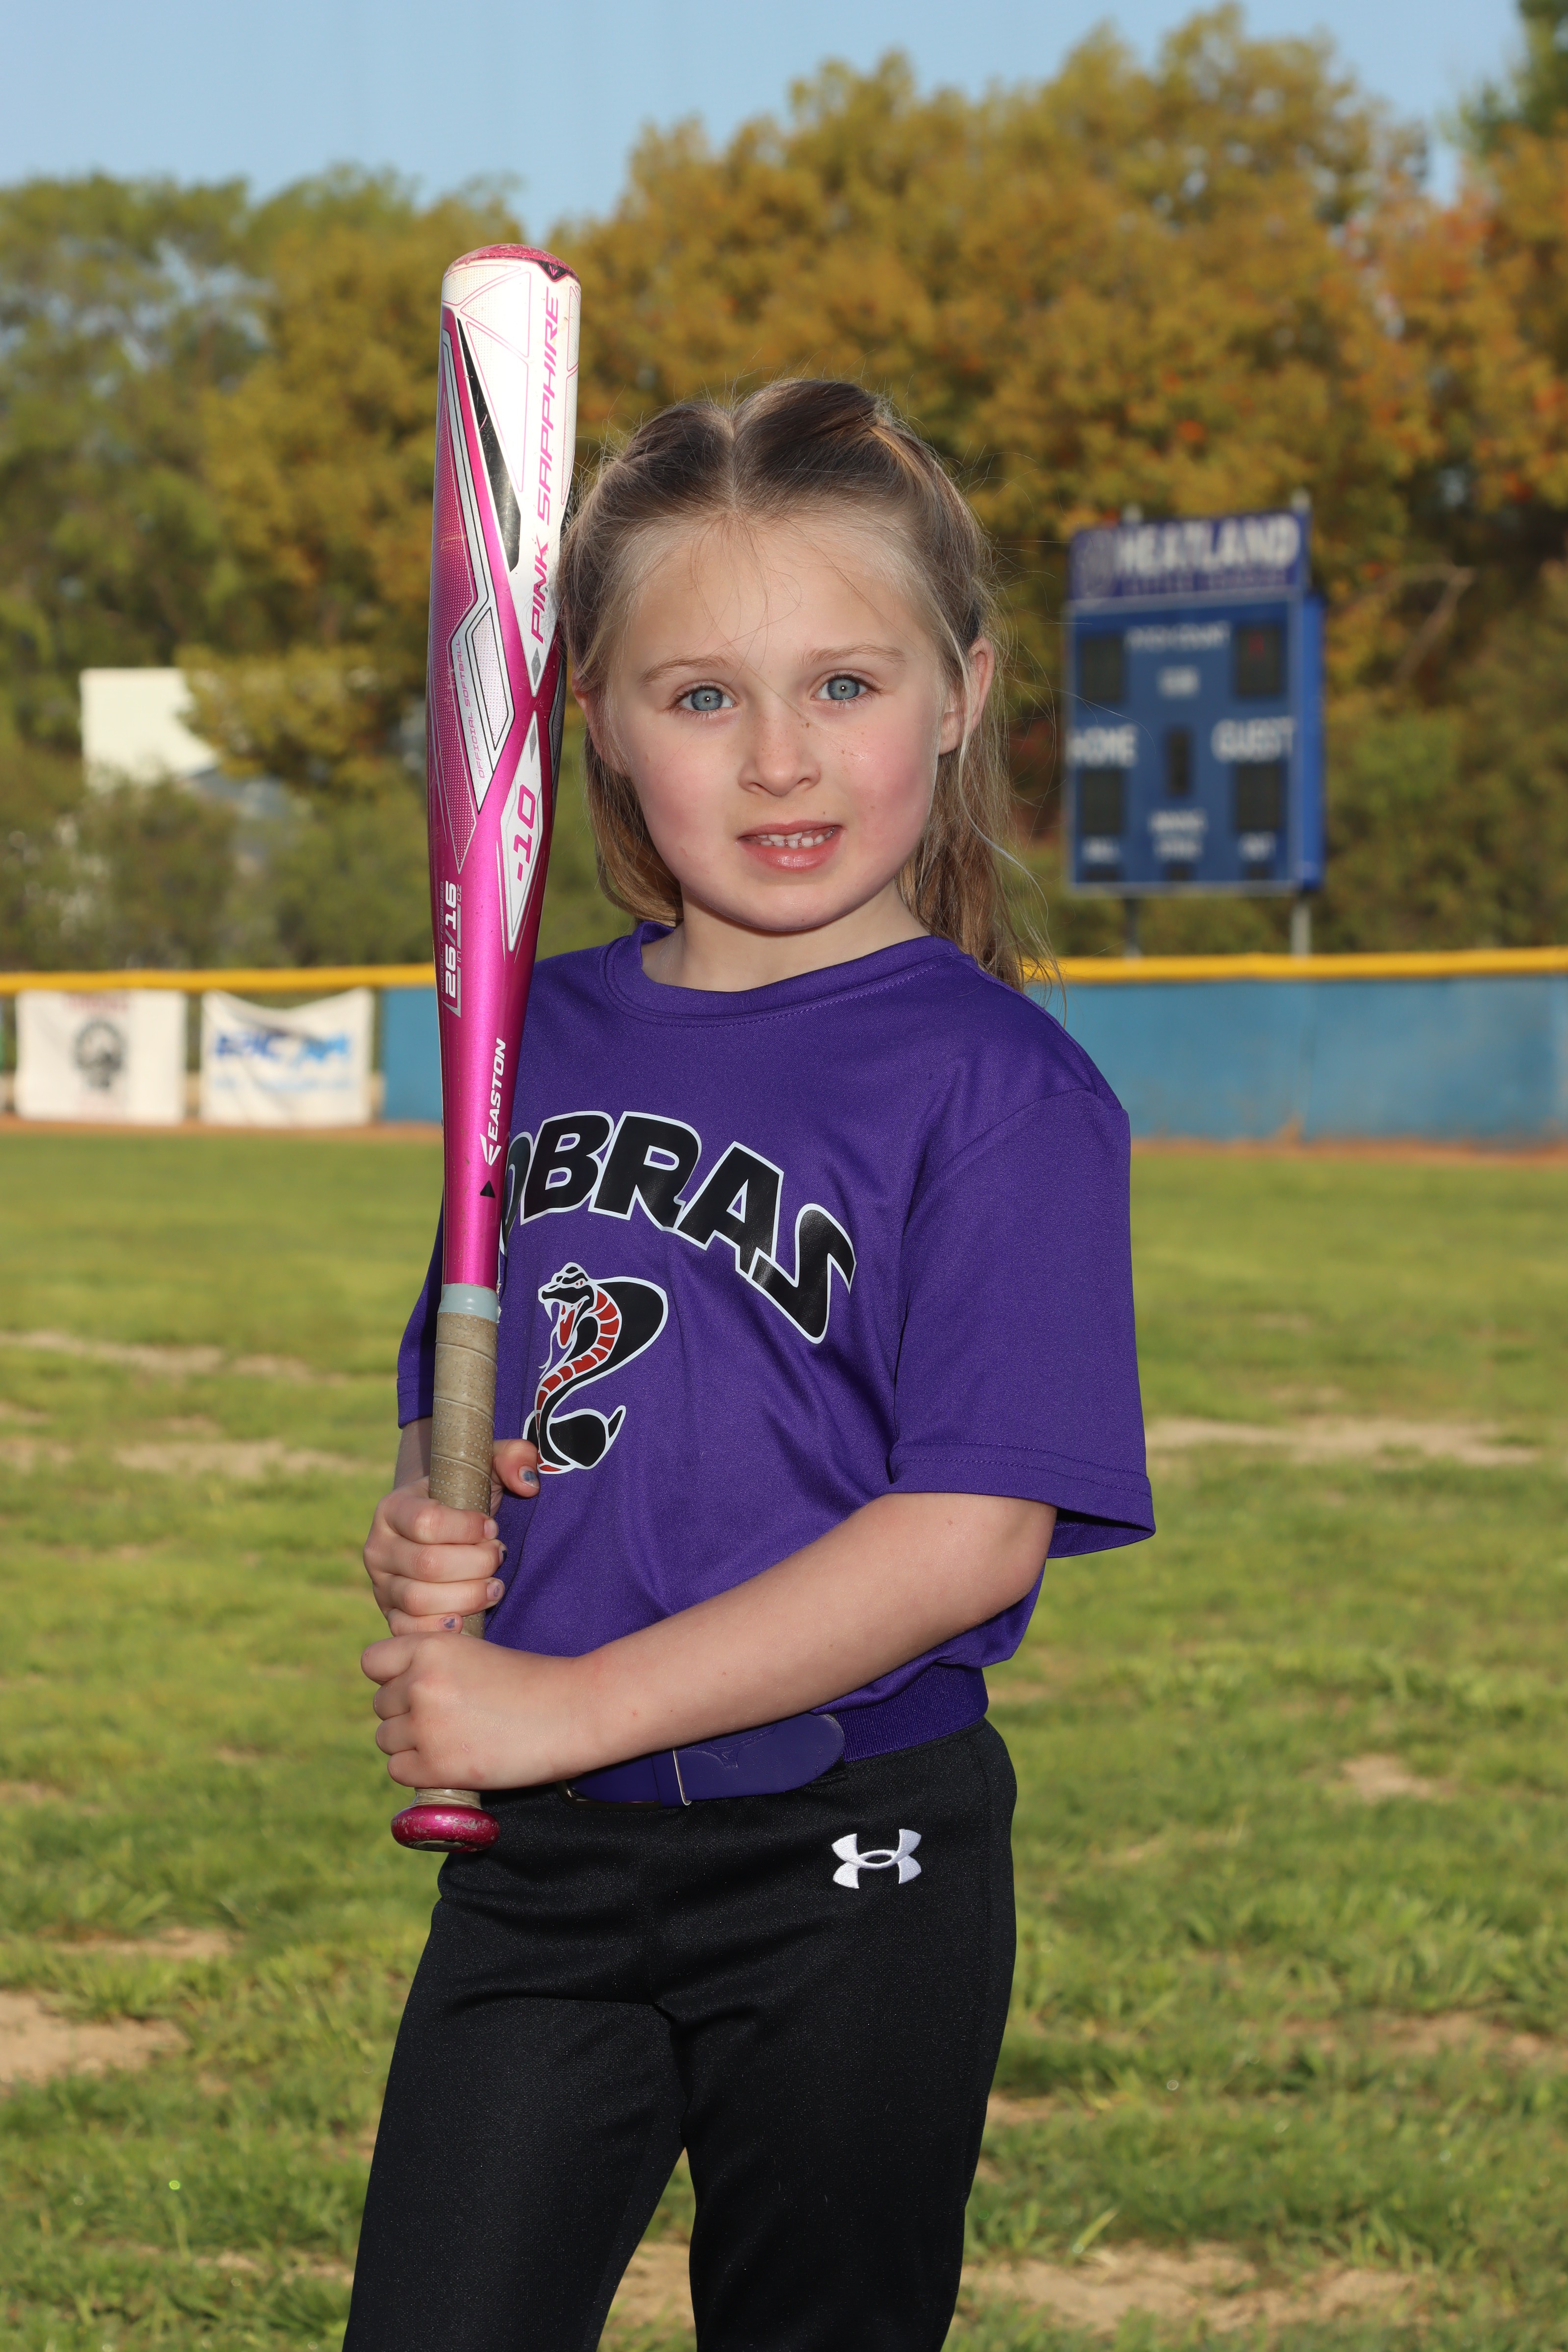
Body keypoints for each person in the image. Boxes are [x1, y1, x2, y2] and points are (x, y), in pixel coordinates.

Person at [345, 378, 1152, 2352]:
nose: (780, 758)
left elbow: (968, 1538)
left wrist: (561, 1704)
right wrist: (431, 1523)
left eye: (844, 685)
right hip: (544, 1866)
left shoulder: (1002, 1092)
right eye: (701, 695)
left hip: (849, 1858)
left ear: (959, 695)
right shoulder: (535, 1039)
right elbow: (480, 1389)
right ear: (597, 728)